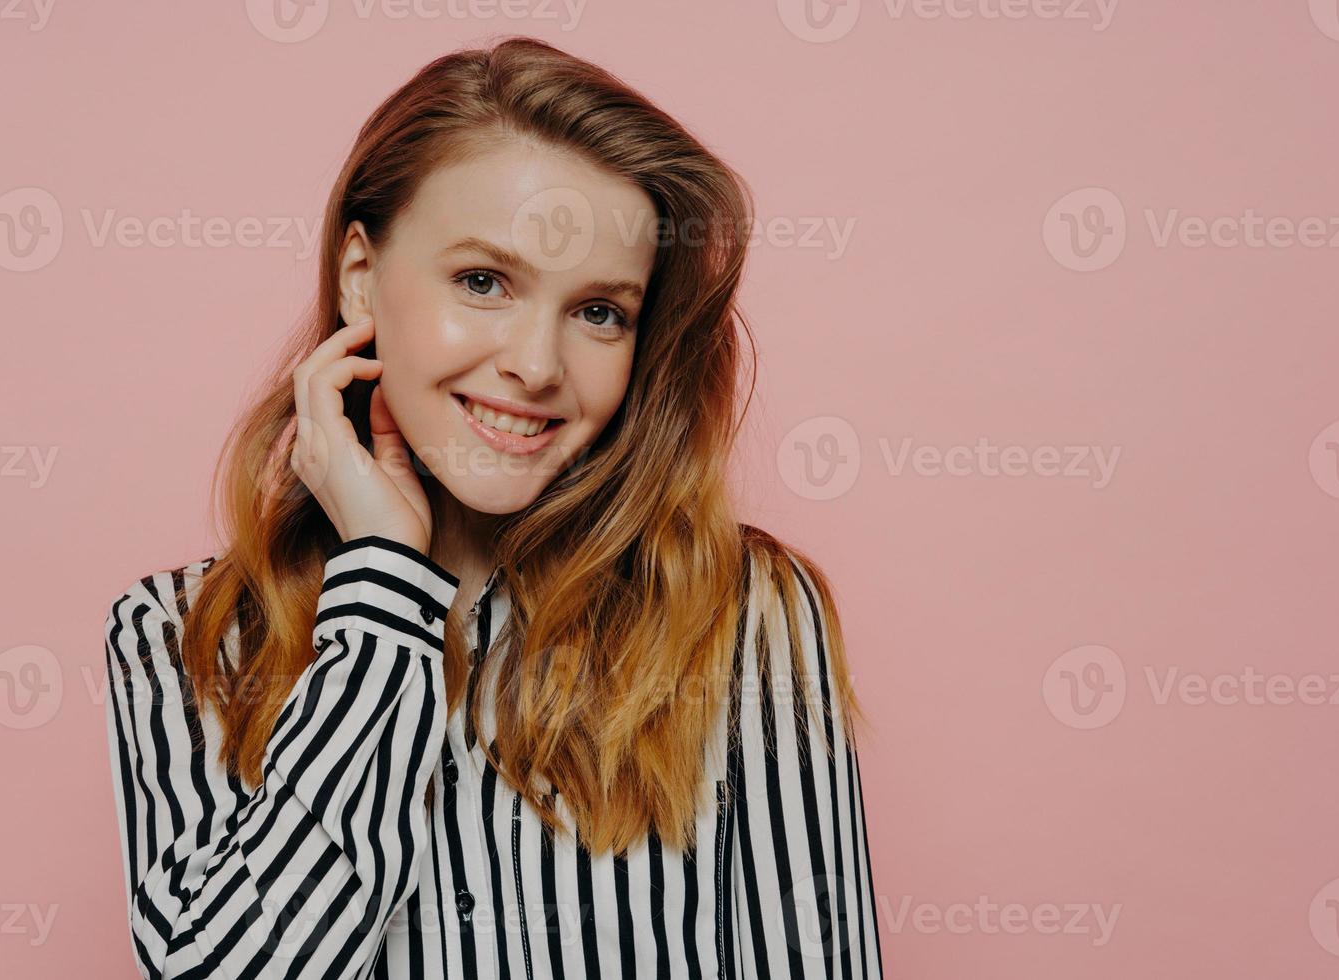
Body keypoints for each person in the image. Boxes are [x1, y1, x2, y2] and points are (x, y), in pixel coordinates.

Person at [103, 36, 883, 980]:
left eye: (600, 311)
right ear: (361, 276)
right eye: (483, 282)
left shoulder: (744, 613)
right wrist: (383, 582)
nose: (539, 366)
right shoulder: (184, 636)